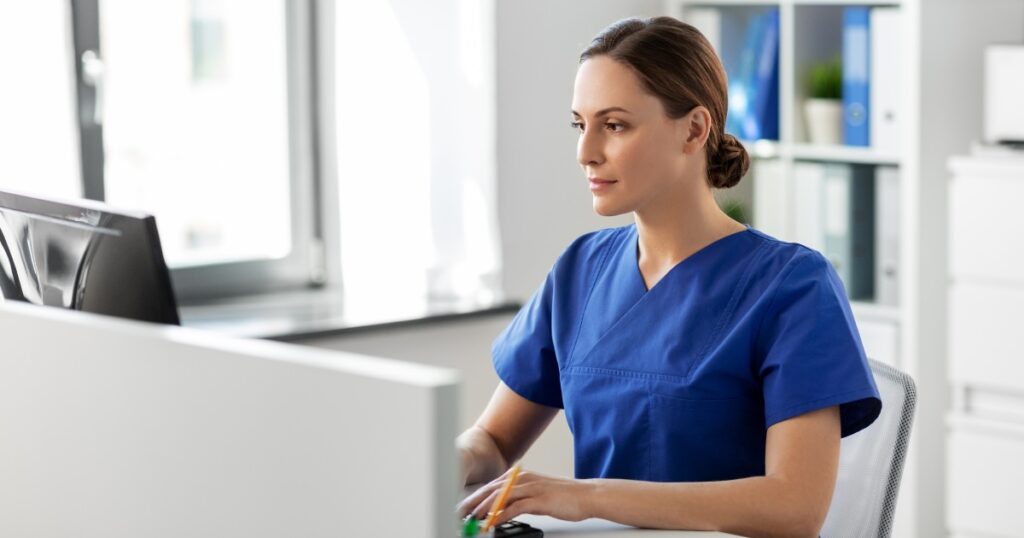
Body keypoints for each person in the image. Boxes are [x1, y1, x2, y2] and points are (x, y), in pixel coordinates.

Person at [456, 16, 881, 537]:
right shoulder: (579, 272)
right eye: (579, 124)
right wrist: (450, 461)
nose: (585, 151)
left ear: (695, 129)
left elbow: (795, 507)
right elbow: (493, 442)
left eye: (614, 125)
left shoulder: (793, 286)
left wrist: (587, 496)